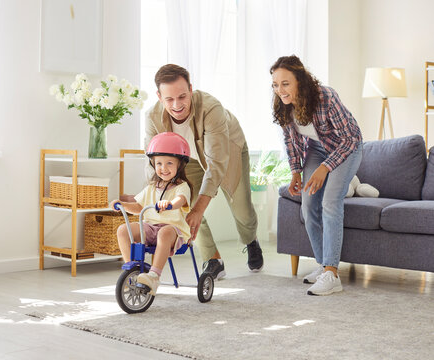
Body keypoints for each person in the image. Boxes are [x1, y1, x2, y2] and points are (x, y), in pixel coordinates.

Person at [144, 64, 264, 280]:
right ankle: (213, 259)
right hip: (185, 159)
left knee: (242, 211)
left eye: (182, 96)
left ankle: (250, 240)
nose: (177, 105)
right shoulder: (152, 117)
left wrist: (200, 208)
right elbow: (152, 163)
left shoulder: (211, 108)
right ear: (159, 96)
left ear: (191, 89)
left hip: (229, 149)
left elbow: (216, 163)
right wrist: (160, 195)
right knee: (182, 206)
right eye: (169, 99)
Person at [270, 55, 363, 296]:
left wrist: (326, 168)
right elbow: (290, 140)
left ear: (300, 80)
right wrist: (295, 172)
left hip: (347, 147)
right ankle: (323, 265)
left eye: (285, 83)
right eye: (275, 84)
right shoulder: (282, 103)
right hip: (317, 148)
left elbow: (350, 139)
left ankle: (332, 274)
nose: (280, 90)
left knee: (330, 202)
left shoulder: (325, 97)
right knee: (308, 204)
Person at [111, 132, 192, 295]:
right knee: (122, 230)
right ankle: (132, 269)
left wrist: (170, 204)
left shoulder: (182, 187)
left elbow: (181, 200)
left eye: (169, 163)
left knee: (164, 232)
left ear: (180, 165)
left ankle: (154, 276)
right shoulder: (152, 187)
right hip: (150, 227)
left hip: (173, 231)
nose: (164, 168)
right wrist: (122, 204)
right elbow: (139, 206)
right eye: (159, 163)